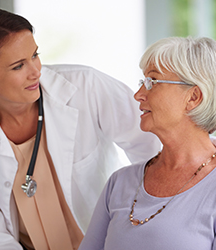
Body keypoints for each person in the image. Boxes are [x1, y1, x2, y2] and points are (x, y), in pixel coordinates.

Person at [0, 8, 160, 250]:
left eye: (35, 55)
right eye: (18, 66)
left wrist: (148, 219)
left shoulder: (85, 87)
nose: (36, 71)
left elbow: (154, 144)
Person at [78, 36, 216, 250]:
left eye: (152, 82)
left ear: (193, 97)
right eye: (142, 82)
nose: (138, 95)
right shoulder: (120, 183)